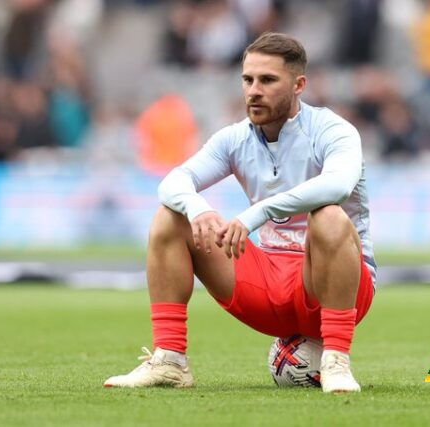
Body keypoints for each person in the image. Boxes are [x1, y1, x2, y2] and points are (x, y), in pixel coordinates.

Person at [103, 32, 377, 393]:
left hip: (335, 283)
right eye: (248, 80)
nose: (253, 90)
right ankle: (170, 361)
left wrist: (256, 213)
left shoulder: (333, 131)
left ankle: (337, 361)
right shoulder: (235, 138)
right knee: (171, 215)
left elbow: (338, 186)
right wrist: (198, 209)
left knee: (327, 215)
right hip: (268, 282)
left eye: (267, 80)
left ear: (299, 85)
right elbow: (174, 181)